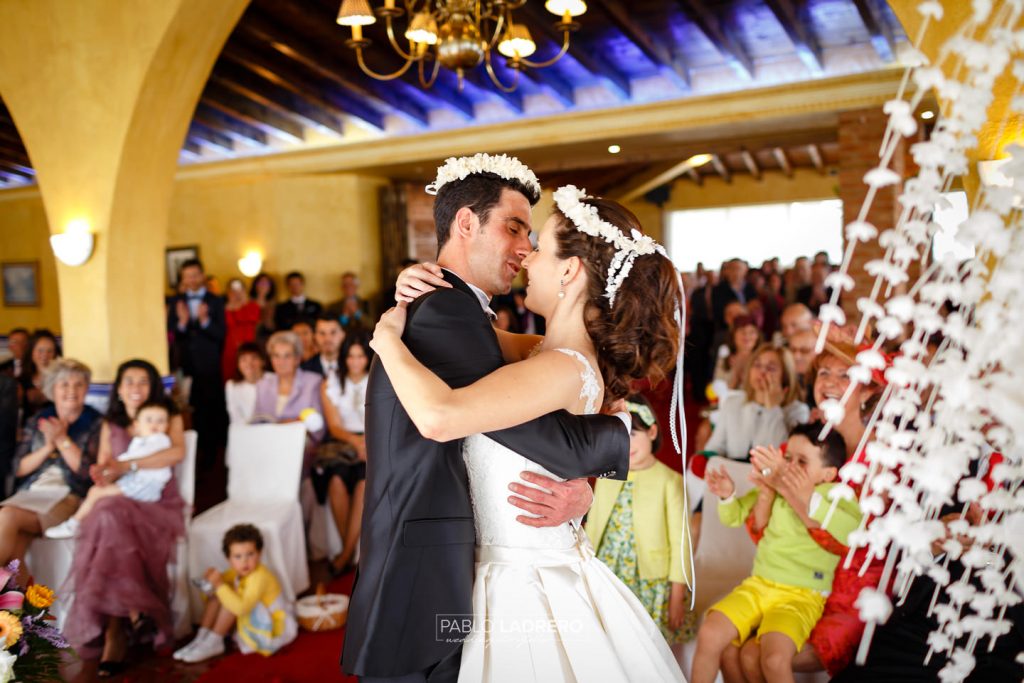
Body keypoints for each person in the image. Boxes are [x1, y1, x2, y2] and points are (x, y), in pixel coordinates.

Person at [353, 162, 685, 681]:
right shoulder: (502, 336)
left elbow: (450, 418)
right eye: (516, 228)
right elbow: (531, 396)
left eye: (538, 242)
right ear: (467, 223)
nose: (528, 251)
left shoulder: (554, 363)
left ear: (571, 271)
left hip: (517, 579)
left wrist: (385, 341)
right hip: (460, 568)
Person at [692, 423, 860, 683]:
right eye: (788, 458)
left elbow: (851, 531)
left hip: (801, 596)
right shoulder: (775, 490)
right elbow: (735, 517)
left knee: (774, 659)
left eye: (802, 462)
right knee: (710, 634)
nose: (790, 467)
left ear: (827, 474)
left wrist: (805, 496)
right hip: (758, 585)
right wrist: (727, 495)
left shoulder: (837, 494)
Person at [64, 359, 186, 675]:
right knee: (109, 515)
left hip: (156, 502)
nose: (135, 387)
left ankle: (117, 632)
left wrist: (128, 466)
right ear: (119, 388)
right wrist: (102, 473)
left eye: (142, 381)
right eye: (128, 381)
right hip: (119, 499)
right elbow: (107, 466)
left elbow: (176, 453)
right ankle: (126, 619)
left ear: (153, 387)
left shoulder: (167, 416)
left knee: (108, 516)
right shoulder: (111, 423)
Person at [586, 393, 694, 645]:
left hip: (650, 577)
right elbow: (593, 523)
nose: (626, 444)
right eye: (620, 437)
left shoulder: (670, 481)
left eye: (633, 435)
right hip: (609, 569)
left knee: (644, 640)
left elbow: (681, 541)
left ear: (653, 433)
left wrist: (677, 595)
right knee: (611, 634)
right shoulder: (606, 475)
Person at [0, 359, 100, 581]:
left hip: (68, 497)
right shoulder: (38, 419)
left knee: (6, 516)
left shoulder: (97, 423)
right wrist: (47, 446)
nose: (71, 391)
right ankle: (30, 615)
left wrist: (63, 439)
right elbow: (18, 468)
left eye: (79, 384)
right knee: (13, 557)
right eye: (64, 384)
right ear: (52, 389)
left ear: (86, 389)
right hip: (30, 494)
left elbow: (88, 474)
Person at [45, 399, 173, 539]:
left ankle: (74, 524)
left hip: (144, 486)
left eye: (161, 421)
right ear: (137, 425)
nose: (155, 424)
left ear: (167, 425)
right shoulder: (140, 441)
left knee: (96, 492)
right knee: (97, 492)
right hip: (138, 482)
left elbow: (131, 459)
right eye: (149, 420)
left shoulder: (160, 440)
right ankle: (76, 523)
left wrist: (114, 465)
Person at [174, 523, 297, 663]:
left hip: (272, 624)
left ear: (259, 553)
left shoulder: (260, 576)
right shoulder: (235, 572)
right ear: (229, 559)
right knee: (221, 591)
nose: (245, 561)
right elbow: (211, 597)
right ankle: (202, 638)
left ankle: (214, 641)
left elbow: (241, 608)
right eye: (238, 557)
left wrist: (219, 585)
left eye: (250, 554)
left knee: (228, 592)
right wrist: (211, 584)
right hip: (250, 614)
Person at [317, 334, 372, 574]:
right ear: (344, 358)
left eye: (360, 356)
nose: (356, 361)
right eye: (351, 356)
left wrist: (367, 444)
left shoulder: (379, 378)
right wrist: (357, 442)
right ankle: (351, 553)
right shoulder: (331, 382)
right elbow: (334, 425)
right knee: (336, 481)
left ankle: (346, 555)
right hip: (342, 441)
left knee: (363, 483)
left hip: (373, 441)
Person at [704, 343, 809, 462]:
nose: (762, 372)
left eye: (771, 368)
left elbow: (783, 454)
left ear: (785, 377)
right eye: (757, 365)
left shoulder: (798, 411)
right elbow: (714, 448)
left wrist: (773, 408)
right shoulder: (733, 402)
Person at [168, 258, 227, 466]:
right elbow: (172, 334)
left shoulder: (216, 301)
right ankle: (193, 453)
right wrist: (182, 323)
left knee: (211, 407)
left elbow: (221, 334)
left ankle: (212, 454)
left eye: (195, 275)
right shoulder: (176, 301)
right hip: (186, 365)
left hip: (209, 364)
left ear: (202, 275)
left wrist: (205, 321)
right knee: (188, 408)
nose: (191, 279)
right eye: (187, 276)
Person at [222, 277, 262, 384]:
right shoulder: (225, 308)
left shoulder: (252, 306)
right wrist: (231, 306)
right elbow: (227, 324)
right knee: (231, 376)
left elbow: (254, 319)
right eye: (233, 291)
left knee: (251, 372)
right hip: (230, 346)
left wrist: (243, 304)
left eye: (239, 290)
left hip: (249, 343)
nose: (236, 293)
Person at [19, 329, 61, 421]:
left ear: (55, 354)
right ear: (31, 352)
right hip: (28, 431)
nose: (45, 355)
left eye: (50, 351)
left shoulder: (62, 379)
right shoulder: (21, 380)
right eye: (40, 350)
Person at [713, 315, 762, 391]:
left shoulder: (762, 359)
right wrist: (736, 376)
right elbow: (717, 390)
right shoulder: (725, 358)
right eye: (742, 331)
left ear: (758, 336)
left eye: (752, 332)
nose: (747, 335)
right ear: (733, 335)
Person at [225, 342, 265, 426]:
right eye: (244, 359)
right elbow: (235, 417)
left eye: (254, 358)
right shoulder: (232, 385)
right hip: (244, 433)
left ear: (263, 361)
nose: (249, 363)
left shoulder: (273, 380)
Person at [302, 313, 345, 379]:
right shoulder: (304, 370)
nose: (327, 339)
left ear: (342, 335)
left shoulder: (354, 366)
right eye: (322, 333)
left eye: (333, 332)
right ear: (314, 336)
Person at [249, 272, 278, 341]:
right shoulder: (247, 303)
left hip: (268, 339)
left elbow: (273, 327)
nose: (263, 286)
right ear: (255, 285)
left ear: (271, 287)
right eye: (260, 283)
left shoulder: (275, 306)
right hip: (249, 338)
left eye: (266, 284)